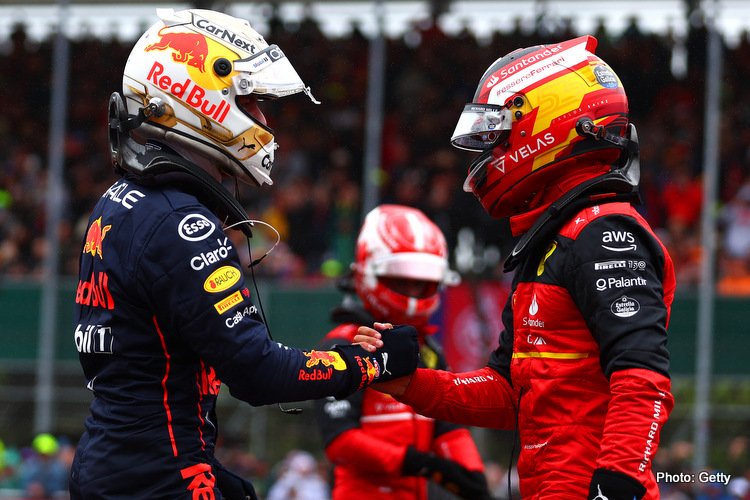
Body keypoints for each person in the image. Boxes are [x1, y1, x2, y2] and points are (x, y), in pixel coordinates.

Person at [70, 8, 418, 499]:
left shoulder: (120, 200)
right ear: (200, 99)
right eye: (251, 102)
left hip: (119, 466)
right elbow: (258, 372)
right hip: (159, 481)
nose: (262, 120)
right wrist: (371, 364)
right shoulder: (181, 223)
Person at [355, 35, 675, 500]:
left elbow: (642, 376)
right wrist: (408, 381)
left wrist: (618, 485)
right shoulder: (555, 240)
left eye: (500, 134)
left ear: (547, 121)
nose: (490, 153)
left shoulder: (603, 232)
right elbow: (508, 394)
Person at [314, 204, 491, 500]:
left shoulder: (428, 350)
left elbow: (448, 426)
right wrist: (421, 464)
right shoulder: (342, 346)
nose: (412, 293)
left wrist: (474, 478)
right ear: (367, 273)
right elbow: (340, 441)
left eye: (423, 284)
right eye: (401, 280)